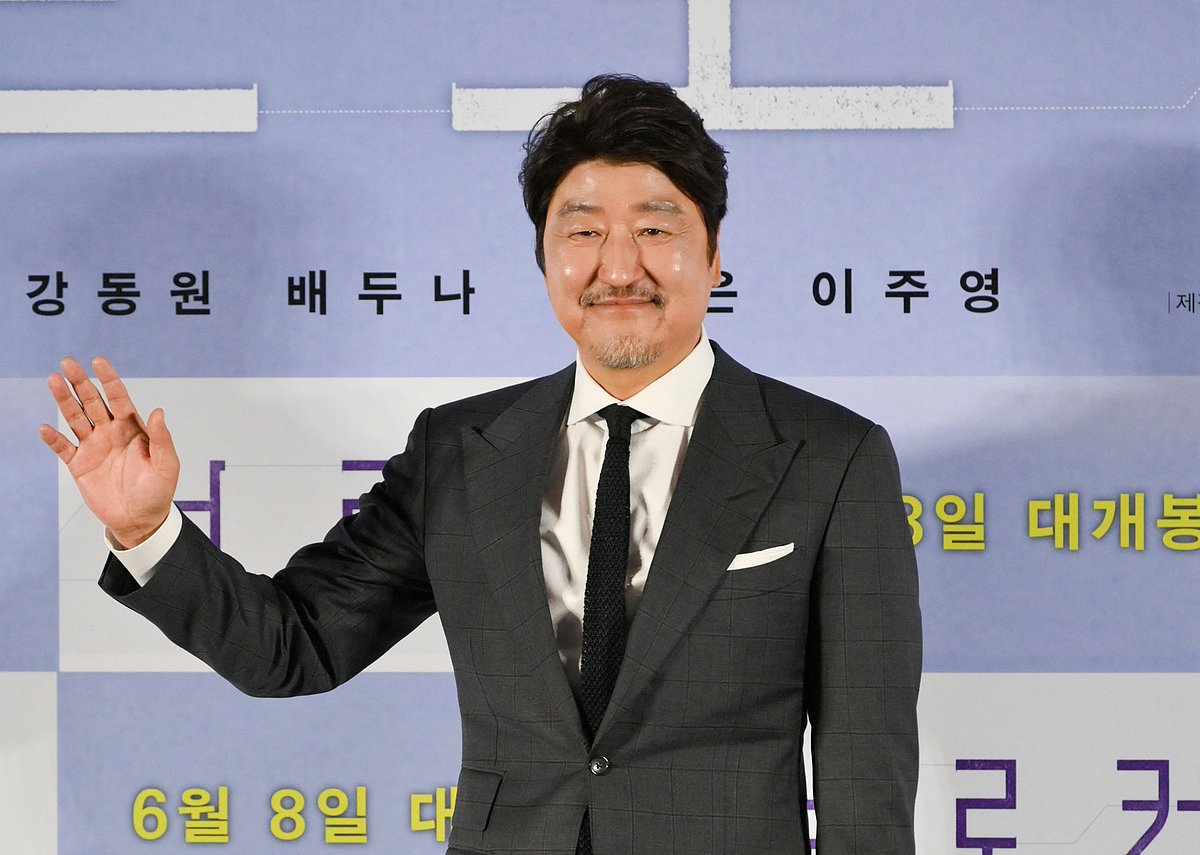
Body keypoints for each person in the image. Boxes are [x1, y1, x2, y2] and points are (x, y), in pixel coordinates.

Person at [42, 74, 921, 854]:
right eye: (583, 230)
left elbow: (865, 768)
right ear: (545, 255)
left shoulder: (829, 457)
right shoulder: (461, 452)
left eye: (656, 228)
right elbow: (297, 646)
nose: (620, 265)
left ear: (715, 253)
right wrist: (145, 529)